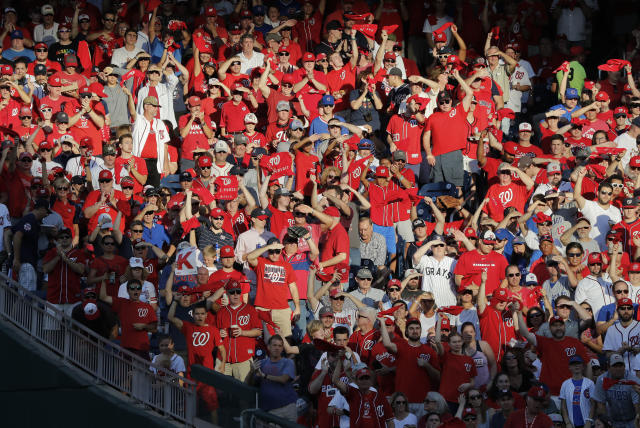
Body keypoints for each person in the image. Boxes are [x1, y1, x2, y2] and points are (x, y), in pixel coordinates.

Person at [248, 334, 298, 421]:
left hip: (288, 408)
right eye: (274, 345)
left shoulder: (288, 362)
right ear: (268, 347)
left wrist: (264, 375)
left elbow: (283, 379)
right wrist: (251, 372)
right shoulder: (261, 363)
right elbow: (249, 384)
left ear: (282, 348)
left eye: (280, 346)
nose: (277, 348)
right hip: (269, 411)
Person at [559, 355, 595, 428]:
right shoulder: (565, 384)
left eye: (578, 363)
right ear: (569, 367)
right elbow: (563, 406)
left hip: (587, 423)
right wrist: (567, 422)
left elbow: (593, 404)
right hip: (572, 424)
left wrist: (589, 420)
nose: (576, 366)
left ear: (583, 366)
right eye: (573, 364)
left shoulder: (590, 383)